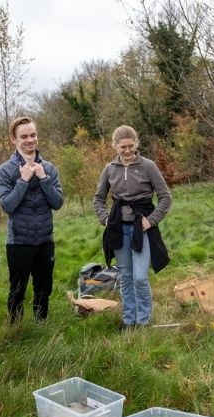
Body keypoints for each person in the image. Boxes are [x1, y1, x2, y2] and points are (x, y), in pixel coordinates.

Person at [93, 125, 172, 330]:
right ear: (115, 146)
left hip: (141, 228)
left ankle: (144, 320)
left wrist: (151, 219)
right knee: (126, 276)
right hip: (119, 229)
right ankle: (129, 320)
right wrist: (106, 219)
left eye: (130, 146)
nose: (127, 151)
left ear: (136, 143)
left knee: (139, 276)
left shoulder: (148, 166)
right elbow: (98, 198)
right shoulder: (110, 169)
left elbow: (165, 197)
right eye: (122, 147)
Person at [0, 116, 64, 324]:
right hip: (19, 242)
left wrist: (43, 179)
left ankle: (40, 326)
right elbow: (7, 205)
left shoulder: (50, 169)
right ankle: (15, 329)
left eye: (32, 135)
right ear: (13, 140)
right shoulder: (5, 170)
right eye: (24, 136)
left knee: (44, 290)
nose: (29, 140)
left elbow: (57, 202)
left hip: (45, 240)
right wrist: (23, 180)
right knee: (17, 291)